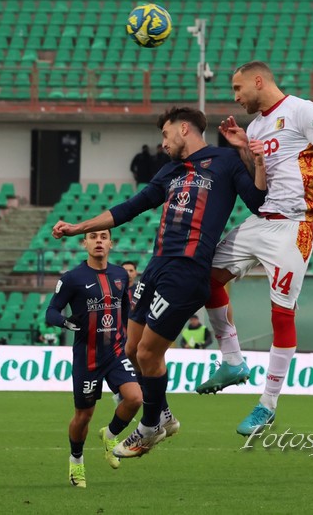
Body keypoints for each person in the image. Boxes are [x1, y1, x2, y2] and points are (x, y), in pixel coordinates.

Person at [51, 106, 267, 458]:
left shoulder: (225, 162)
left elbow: (258, 201)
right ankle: (163, 414)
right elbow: (129, 208)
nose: (163, 143)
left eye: (165, 135)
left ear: (184, 129)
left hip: (187, 270)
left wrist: (253, 159)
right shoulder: (170, 171)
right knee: (133, 350)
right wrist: (79, 227)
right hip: (156, 267)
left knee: (150, 352)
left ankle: (150, 427)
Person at [195, 61, 313, 437]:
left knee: (281, 315)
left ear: (258, 81)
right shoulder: (255, 126)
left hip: (295, 225)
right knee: (204, 279)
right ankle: (233, 361)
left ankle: (267, 405)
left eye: (238, 89)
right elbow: (261, 182)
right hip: (263, 219)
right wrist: (243, 149)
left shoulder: (303, 110)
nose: (236, 98)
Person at [45, 229, 143, 488]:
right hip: (87, 358)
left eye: (103, 236)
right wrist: (67, 323)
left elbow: (123, 309)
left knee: (135, 398)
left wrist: (125, 337)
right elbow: (51, 312)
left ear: (111, 243)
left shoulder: (121, 275)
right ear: (84, 243)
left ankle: (110, 435)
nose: (98, 240)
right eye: (93, 237)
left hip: (115, 353)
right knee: (84, 415)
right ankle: (76, 461)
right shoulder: (72, 278)